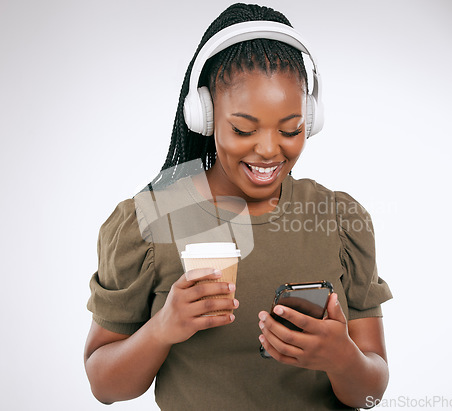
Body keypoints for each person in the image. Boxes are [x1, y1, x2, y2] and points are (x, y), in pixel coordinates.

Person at [84, 3, 392, 410]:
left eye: (291, 129)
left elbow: (370, 393)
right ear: (205, 115)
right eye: (243, 129)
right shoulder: (147, 222)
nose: (268, 150)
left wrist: (343, 358)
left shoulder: (339, 219)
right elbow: (106, 387)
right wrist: (162, 329)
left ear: (311, 120)